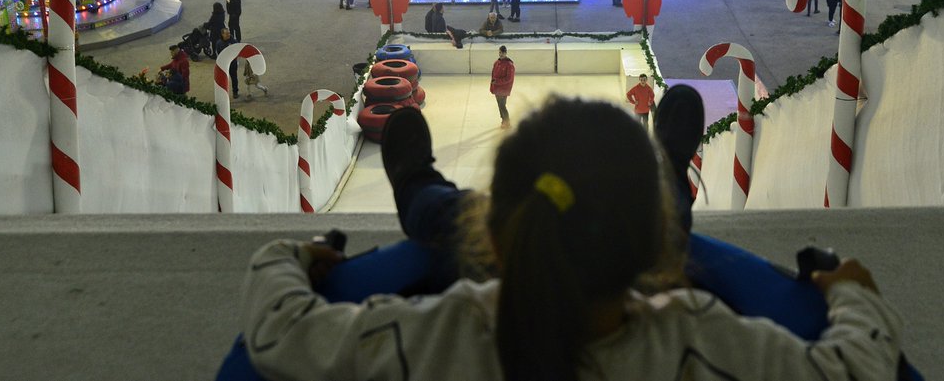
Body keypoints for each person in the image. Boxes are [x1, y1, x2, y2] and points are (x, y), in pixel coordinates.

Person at [241, 99, 901, 381]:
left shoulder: (428, 336)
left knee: (441, 214)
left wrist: (292, 253)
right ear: (656, 248)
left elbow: (276, 329)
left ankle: (417, 185)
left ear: (494, 238)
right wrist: (850, 293)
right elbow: (855, 367)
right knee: (656, 203)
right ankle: (670, 176)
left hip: (498, 255)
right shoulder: (701, 338)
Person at [489, 45, 514, 128]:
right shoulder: (496, 63)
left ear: (506, 53)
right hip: (497, 88)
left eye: (503, 52)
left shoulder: (509, 65)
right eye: (500, 52)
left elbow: (509, 78)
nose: (501, 54)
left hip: (504, 89)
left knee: (502, 106)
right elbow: (493, 76)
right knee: (500, 106)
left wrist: (497, 81)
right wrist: (492, 86)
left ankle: (507, 122)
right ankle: (503, 120)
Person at [214, 28, 240, 99]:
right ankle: (224, 93)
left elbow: (237, 50)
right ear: (222, 34)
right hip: (224, 65)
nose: (228, 34)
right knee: (224, 79)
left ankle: (235, 92)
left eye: (229, 33)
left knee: (234, 78)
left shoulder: (234, 41)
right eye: (226, 33)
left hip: (233, 64)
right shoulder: (219, 43)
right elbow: (219, 53)